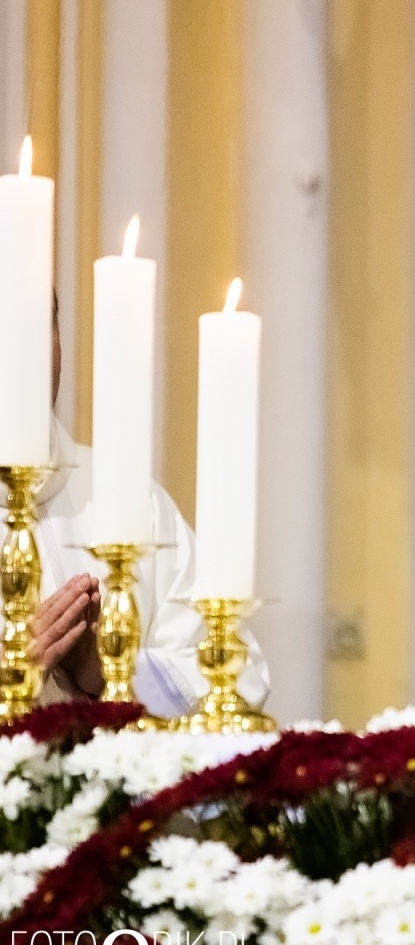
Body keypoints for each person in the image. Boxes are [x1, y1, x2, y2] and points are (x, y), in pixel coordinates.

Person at [30, 299, 270, 714]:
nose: (19, 357)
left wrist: (112, 671)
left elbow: (237, 678)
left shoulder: (131, 499)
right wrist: (12, 672)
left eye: (35, 325)